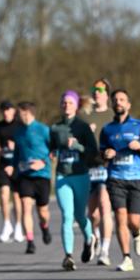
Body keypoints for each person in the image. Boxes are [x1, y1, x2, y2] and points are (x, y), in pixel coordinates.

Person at [99, 88, 140, 271]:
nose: (118, 102)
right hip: (115, 178)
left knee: (133, 220)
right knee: (120, 217)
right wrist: (106, 153)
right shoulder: (107, 129)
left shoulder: (139, 125)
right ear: (112, 104)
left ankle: (137, 232)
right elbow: (100, 153)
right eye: (116, 100)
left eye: (122, 99)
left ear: (128, 104)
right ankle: (126, 258)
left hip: (136, 177)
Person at [50, 91, 99, 270]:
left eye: (70, 103)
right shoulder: (55, 128)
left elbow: (93, 152)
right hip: (63, 175)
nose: (66, 106)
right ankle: (68, 256)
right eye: (64, 103)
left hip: (80, 175)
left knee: (80, 215)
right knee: (67, 216)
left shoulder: (83, 127)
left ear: (76, 106)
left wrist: (77, 146)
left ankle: (89, 238)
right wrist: (53, 153)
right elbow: (52, 147)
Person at [80, 78, 115, 266]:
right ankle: (93, 237)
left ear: (107, 94)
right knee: (92, 214)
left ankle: (105, 250)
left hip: (107, 167)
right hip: (88, 167)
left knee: (104, 205)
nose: (96, 92)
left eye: (100, 89)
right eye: (94, 89)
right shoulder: (85, 116)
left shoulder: (112, 115)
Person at [12, 101, 52, 254]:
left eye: (20, 113)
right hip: (25, 176)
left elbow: (53, 150)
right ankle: (30, 241)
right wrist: (13, 166)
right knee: (25, 205)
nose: (18, 116)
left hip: (42, 175)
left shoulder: (43, 130)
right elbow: (17, 153)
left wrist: (43, 162)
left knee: (42, 212)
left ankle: (45, 226)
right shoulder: (18, 132)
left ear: (28, 113)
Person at [0, 100, 24, 244]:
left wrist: (15, 146)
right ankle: (7, 225)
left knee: (17, 198)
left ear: (13, 111)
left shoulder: (20, 125)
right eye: (3, 110)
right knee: (4, 195)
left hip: (17, 165)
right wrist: (0, 150)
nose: (5, 112)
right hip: (3, 165)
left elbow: (26, 143)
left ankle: (18, 227)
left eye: (8, 109)